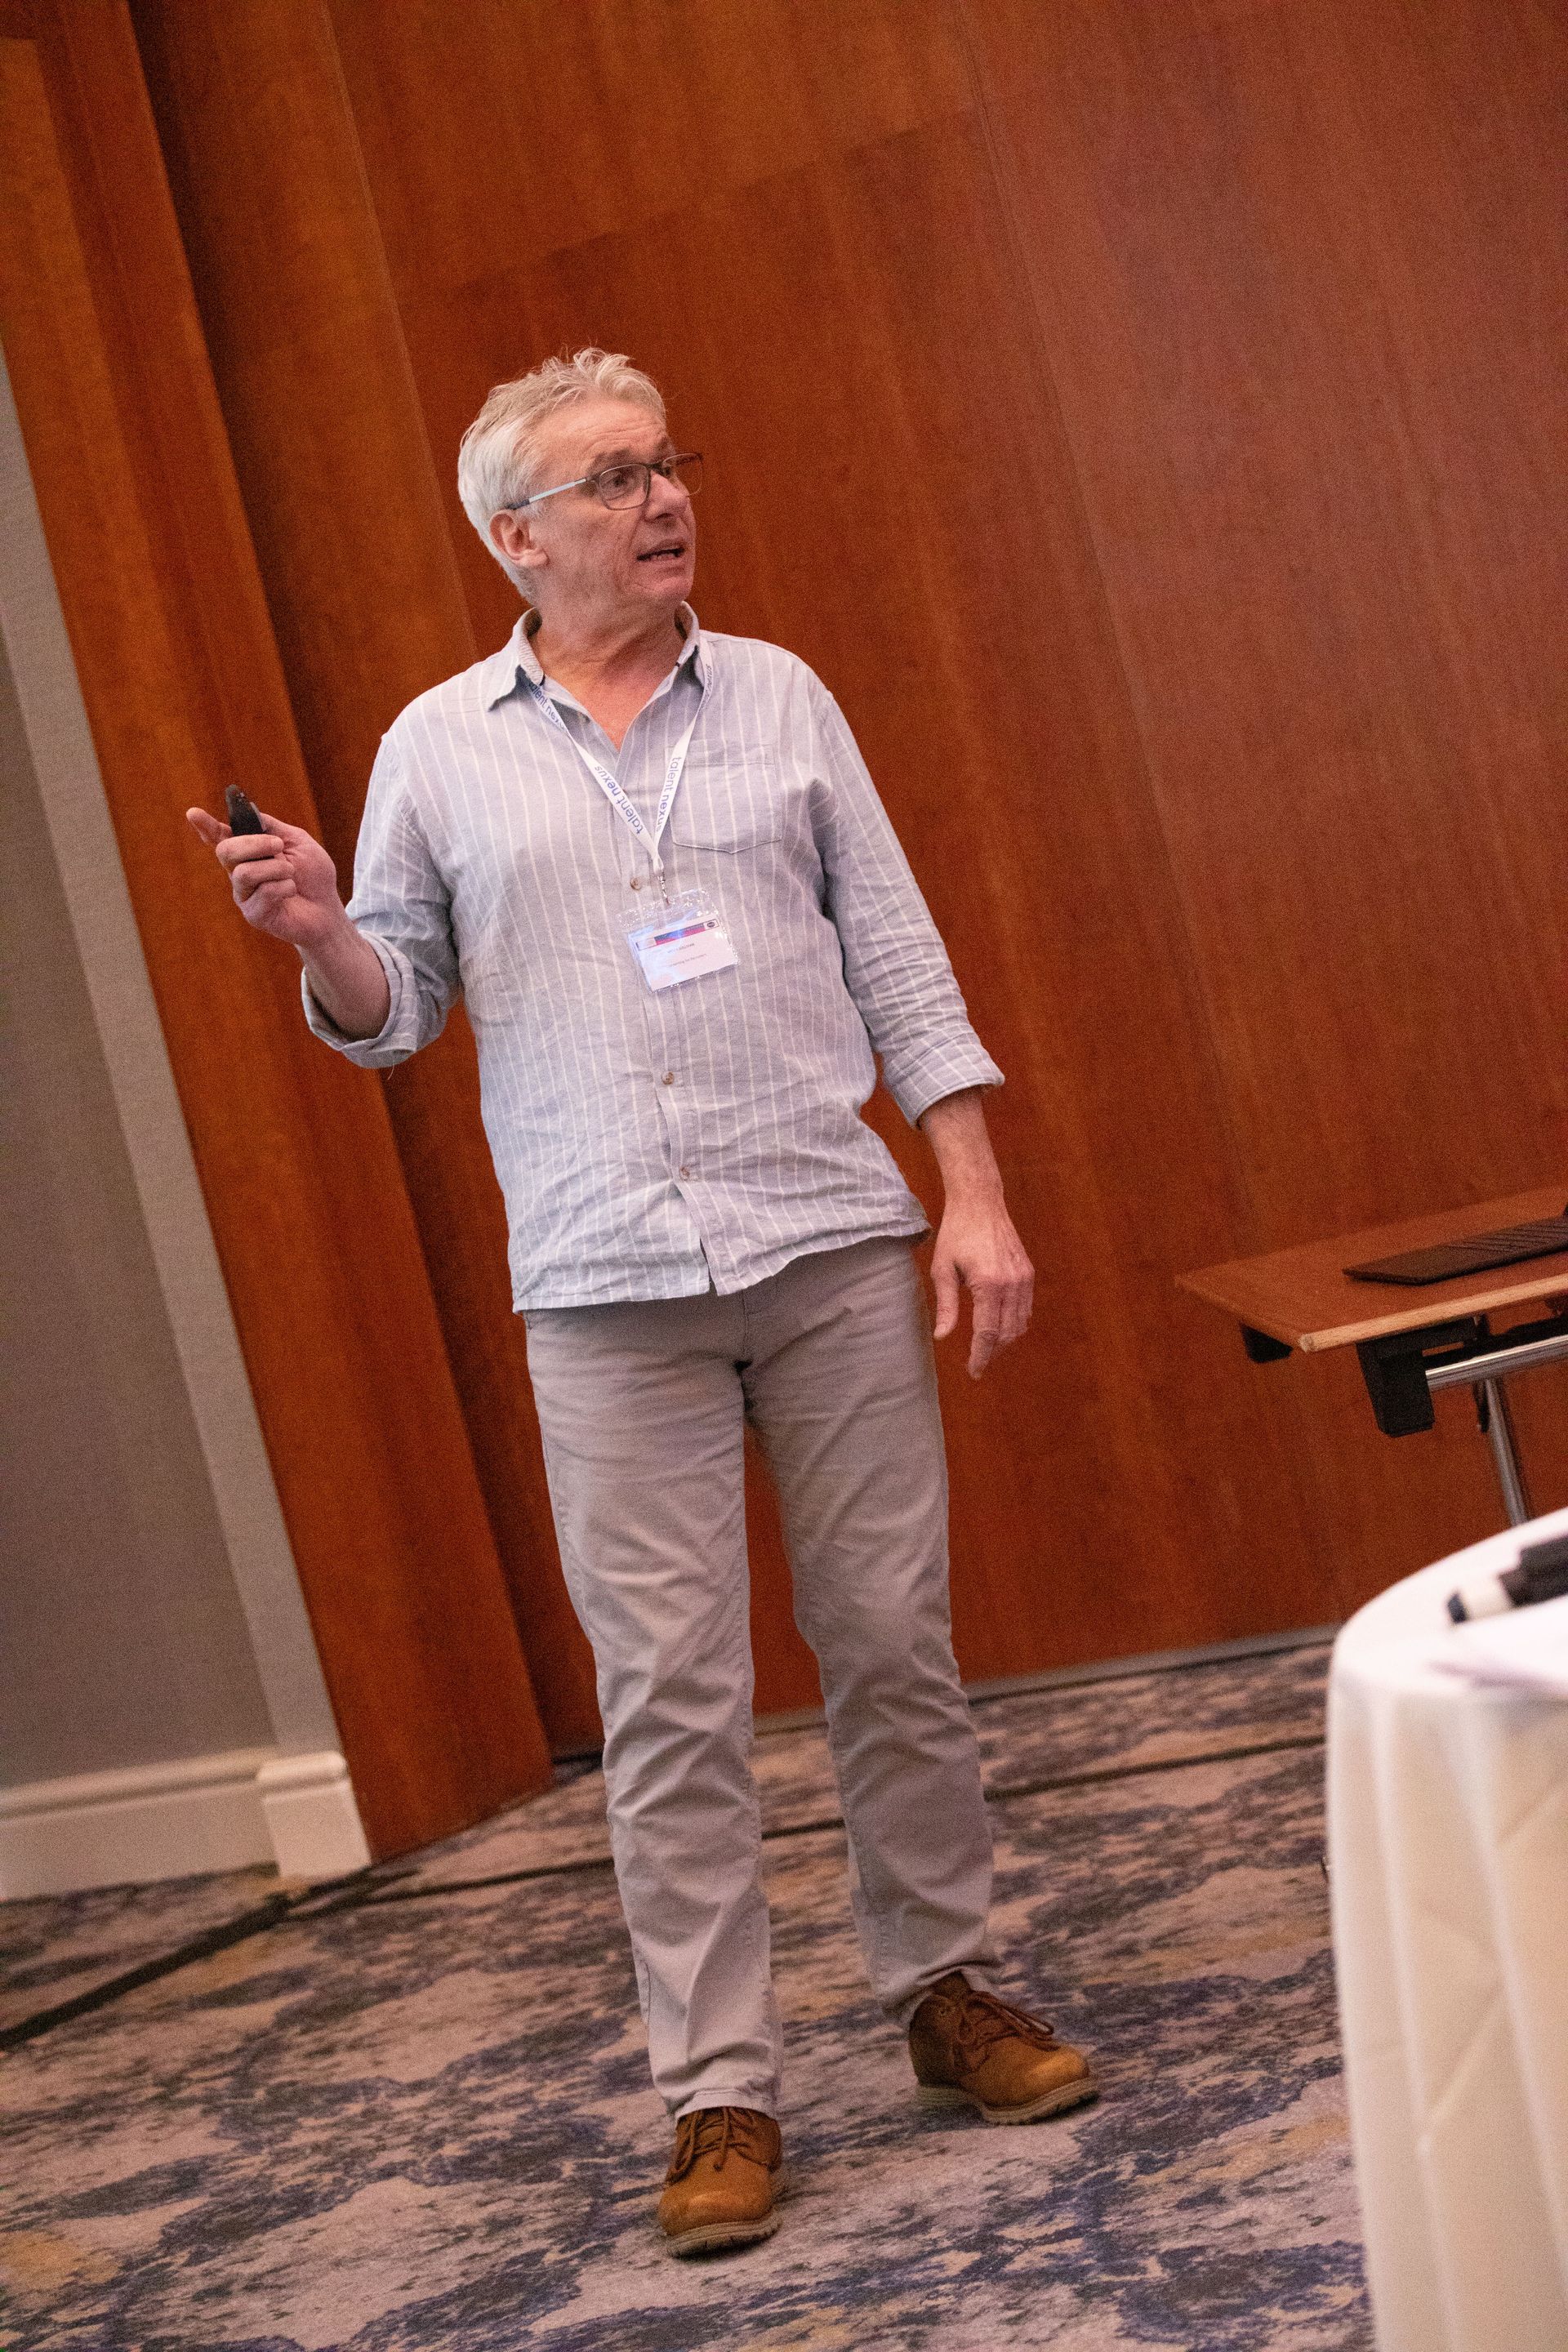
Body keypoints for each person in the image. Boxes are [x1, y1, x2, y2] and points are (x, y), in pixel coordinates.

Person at [188, 348, 1098, 2258]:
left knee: (889, 1640)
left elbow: (902, 952)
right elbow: (397, 1010)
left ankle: (945, 1993)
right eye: (612, 479)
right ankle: (721, 2092)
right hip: (603, 1285)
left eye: (669, 462)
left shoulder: (778, 696)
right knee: (669, 1702)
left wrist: (974, 1194)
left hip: (827, 1241)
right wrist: (317, 929)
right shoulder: (439, 745)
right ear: (516, 537)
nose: (663, 497)